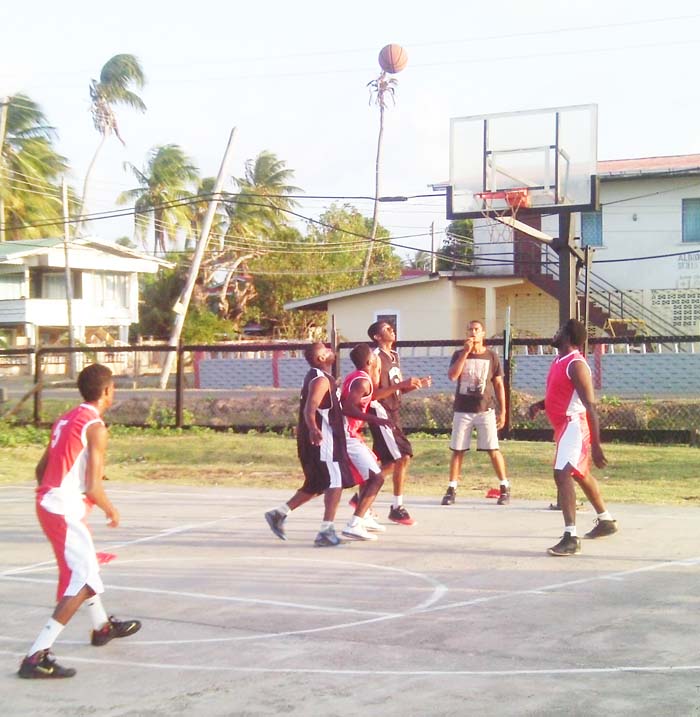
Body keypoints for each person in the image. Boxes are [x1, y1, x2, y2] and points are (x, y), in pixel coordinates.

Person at [18, 364, 141, 680]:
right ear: (106, 392)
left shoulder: (66, 418)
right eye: (113, 388)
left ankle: (102, 627)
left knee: (83, 569)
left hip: (50, 502)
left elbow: (40, 469)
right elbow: (92, 485)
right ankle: (37, 655)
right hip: (62, 509)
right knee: (83, 579)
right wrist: (110, 510)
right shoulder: (97, 428)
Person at [528, 318, 618, 556]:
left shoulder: (577, 364)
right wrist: (540, 405)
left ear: (568, 337)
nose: (554, 333)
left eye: (559, 331)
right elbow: (561, 394)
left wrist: (596, 445)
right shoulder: (559, 360)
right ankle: (605, 520)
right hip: (563, 427)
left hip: (575, 425)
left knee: (562, 473)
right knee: (580, 474)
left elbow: (590, 406)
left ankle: (571, 537)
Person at [264, 342, 354, 547]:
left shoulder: (321, 378)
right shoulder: (320, 380)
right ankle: (326, 531)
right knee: (335, 482)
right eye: (326, 350)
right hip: (324, 439)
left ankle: (279, 514)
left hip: (323, 438)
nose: (331, 352)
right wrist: (314, 428)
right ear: (321, 358)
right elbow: (309, 409)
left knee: (317, 484)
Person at [364, 320, 431, 526]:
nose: (392, 330)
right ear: (376, 336)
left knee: (393, 461)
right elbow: (373, 395)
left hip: (393, 412)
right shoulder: (374, 358)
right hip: (381, 412)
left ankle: (374, 499)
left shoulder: (394, 356)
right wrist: (402, 384)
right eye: (386, 328)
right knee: (402, 455)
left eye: (392, 327)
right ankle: (391, 505)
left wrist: (414, 385)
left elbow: (396, 388)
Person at [441, 320, 510, 506]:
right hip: (462, 410)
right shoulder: (458, 354)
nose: (473, 333)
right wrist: (465, 351)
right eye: (470, 329)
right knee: (458, 450)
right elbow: (453, 376)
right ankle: (452, 488)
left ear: (483, 333)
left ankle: (504, 486)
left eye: (476, 330)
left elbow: (498, 385)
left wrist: (503, 411)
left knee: (493, 449)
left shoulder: (491, 357)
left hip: (484, 410)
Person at [340, 343, 390, 541]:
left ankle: (365, 515)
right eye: (374, 356)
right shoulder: (362, 382)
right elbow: (347, 408)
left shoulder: (357, 377)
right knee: (377, 478)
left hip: (350, 433)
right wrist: (377, 420)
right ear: (370, 361)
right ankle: (355, 523)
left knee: (371, 472)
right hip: (347, 434)